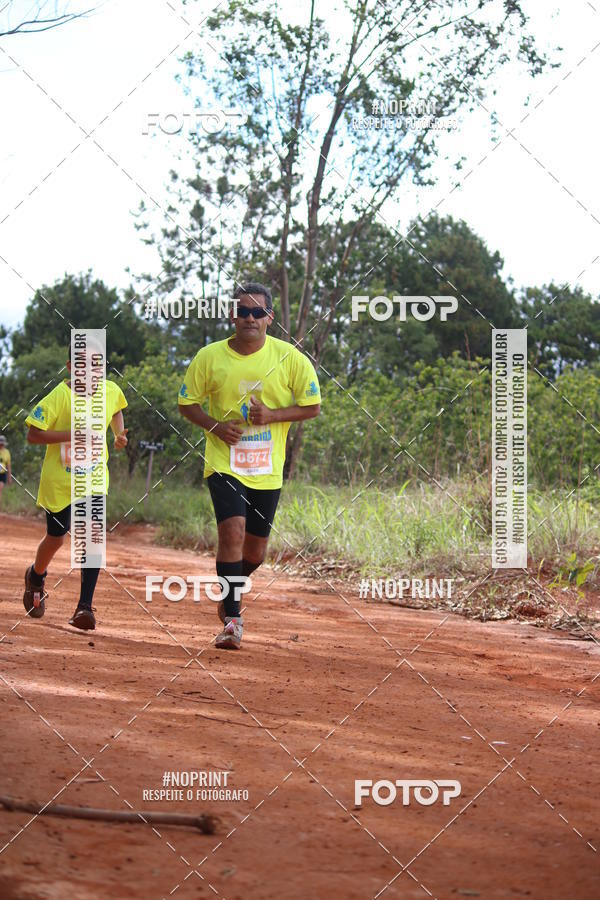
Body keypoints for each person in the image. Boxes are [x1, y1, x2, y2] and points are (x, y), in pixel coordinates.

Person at [178, 282, 321, 650]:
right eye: (243, 311)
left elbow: (312, 406)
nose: (250, 318)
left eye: (258, 312)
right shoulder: (209, 357)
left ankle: (228, 592)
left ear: (270, 318)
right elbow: (187, 404)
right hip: (224, 462)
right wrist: (214, 425)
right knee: (233, 533)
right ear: (232, 316)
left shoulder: (290, 358)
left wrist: (272, 415)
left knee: (255, 553)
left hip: (267, 470)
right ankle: (233, 618)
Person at [23, 341, 128, 630]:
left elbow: (117, 409)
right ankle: (36, 575)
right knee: (56, 537)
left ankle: (84, 608)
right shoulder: (60, 396)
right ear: (70, 368)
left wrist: (119, 435)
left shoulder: (110, 390)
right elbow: (33, 434)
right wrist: (71, 435)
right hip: (61, 481)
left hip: (94, 479)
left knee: (92, 538)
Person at [0, 435, 12, 508]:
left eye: (2, 443)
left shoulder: (7, 452)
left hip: (2, 474)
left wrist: (9, 478)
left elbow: (9, 466)